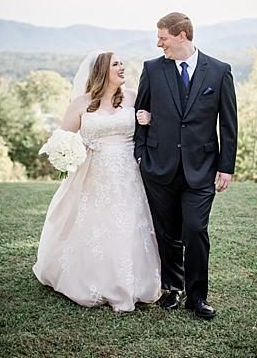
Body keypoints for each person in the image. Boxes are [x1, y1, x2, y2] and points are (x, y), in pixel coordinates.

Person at [33, 51, 161, 311]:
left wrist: (150, 119)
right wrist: (67, 155)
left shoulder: (134, 97)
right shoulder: (81, 103)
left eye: (122, 63)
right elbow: (64, 138)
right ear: (102, 71)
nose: (122, 67)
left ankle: (132, 281)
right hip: (92, 173)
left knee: (128, 222)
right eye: (116, 64)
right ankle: (90, 278)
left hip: (128, 173)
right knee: (94, 223)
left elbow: (155, 126)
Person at [134, 12, 237, 319]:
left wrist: (226, 166)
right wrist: (141, 154)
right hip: (158, 166)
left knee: (195, 230)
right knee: (166, 232)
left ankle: (197, 297)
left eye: (163, 37)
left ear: (181, 36)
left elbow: (229, 124)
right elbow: (141, 110)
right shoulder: (152, 69)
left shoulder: (219, 71)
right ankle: (172, 289)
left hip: (202, 168)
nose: (158, 43)